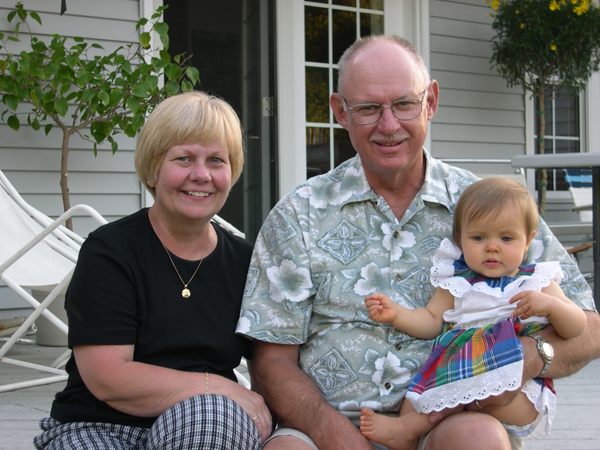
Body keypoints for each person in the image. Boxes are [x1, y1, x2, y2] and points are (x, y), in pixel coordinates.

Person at [235, 34, 600, 450]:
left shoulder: (487, 208)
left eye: (404, 104)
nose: (388, 126)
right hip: (323, 431)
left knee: (479, 438)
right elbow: (271, 361)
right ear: (340, 111)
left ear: (430, 102)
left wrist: (525, 359)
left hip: (448, 422)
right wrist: (336, 436)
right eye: (369, 108)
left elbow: (589, 328)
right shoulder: (298, 215)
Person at [34, 91, 272, 450]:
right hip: (99, 425)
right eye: (184, 158)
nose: (201, 175)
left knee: (215, 419)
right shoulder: (111, 251)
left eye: (217, 161)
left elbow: (273, 364)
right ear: (153, 167)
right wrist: (219, 385)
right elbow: (108, 379)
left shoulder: (245, 262)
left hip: (201, 423)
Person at [359, 177, 587, 450]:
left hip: (516, 391)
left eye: (506, 238)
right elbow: (432, 321)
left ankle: (408, 430)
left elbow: (577, 325)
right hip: (462, 370)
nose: (492, 247)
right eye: (478, 237)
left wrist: (551, 306)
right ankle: (411, 429)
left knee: (452, 395)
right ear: (459, 239)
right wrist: (397, 315)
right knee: (416, 399)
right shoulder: (458, 284)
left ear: (528, 241)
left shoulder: (538, 282)